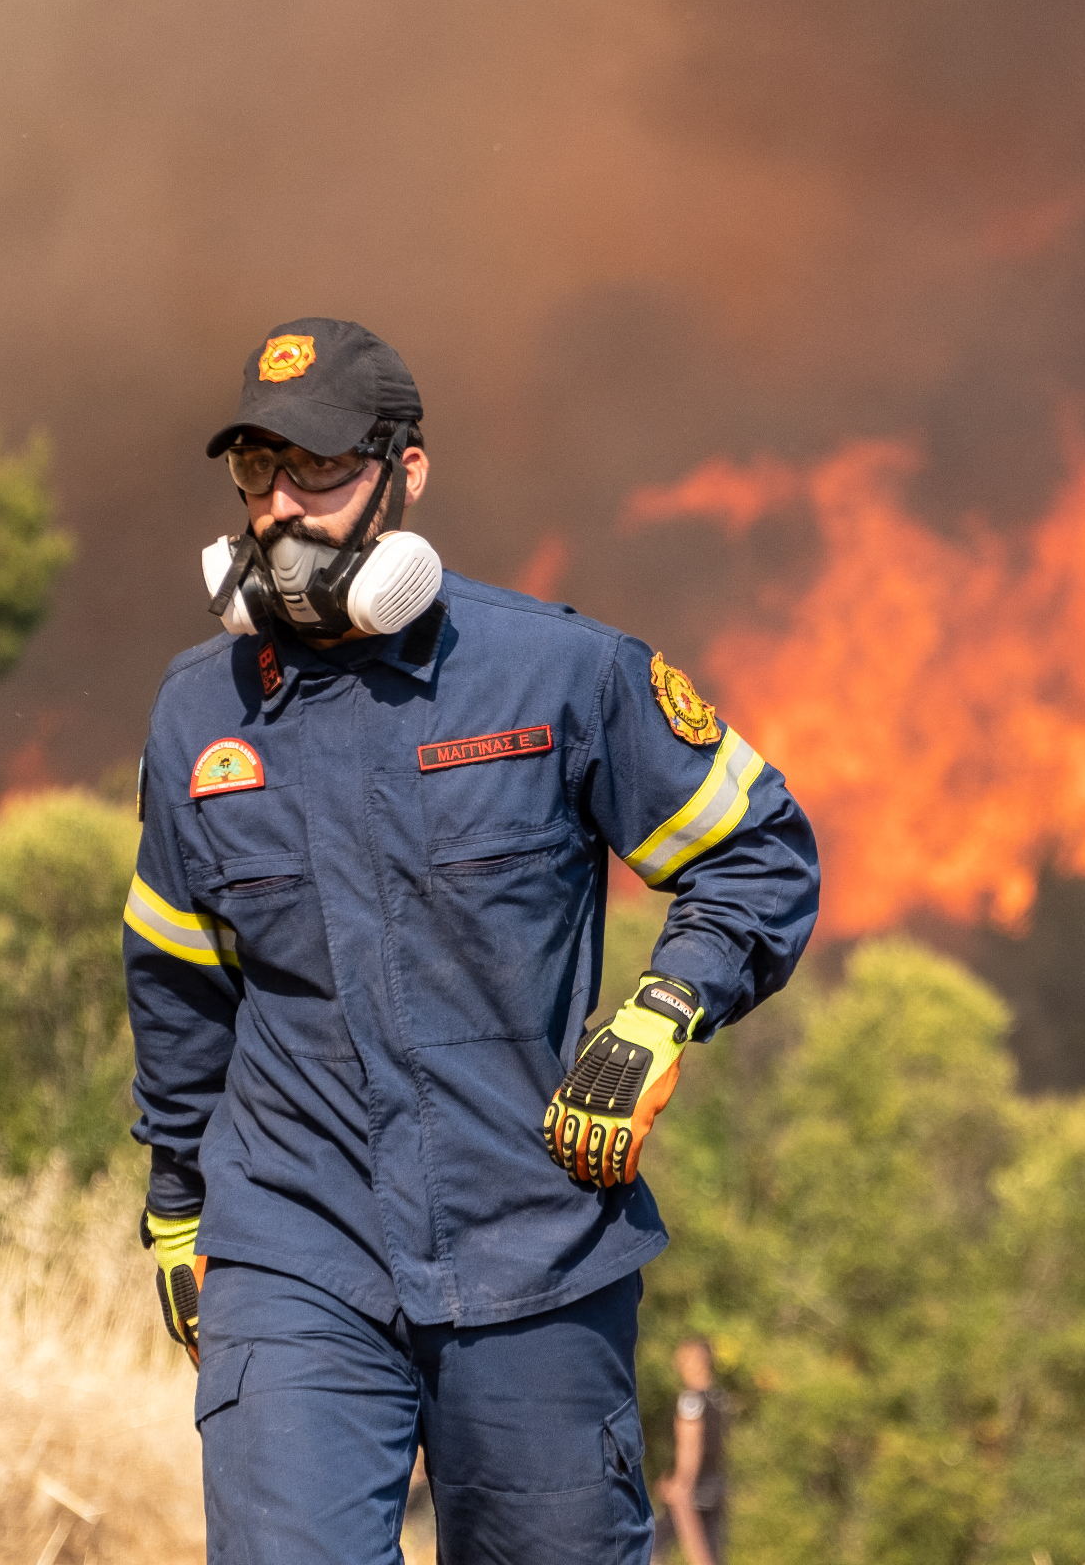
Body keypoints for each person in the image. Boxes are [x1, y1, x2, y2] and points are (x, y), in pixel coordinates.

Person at [124, 318, 820, 1565]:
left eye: (318, 472)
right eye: (255, 473)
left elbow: (758, 849)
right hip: (296, 1245)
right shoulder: (197, 714)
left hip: (535, 1249)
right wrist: (180, 1204)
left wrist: (664, 1008)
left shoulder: (559, 676)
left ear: (407, 473)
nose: (279, 510)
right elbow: (176, 975)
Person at [659, 1334, 731, 1565]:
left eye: (684, 1359)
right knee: (709, 1556)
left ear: (700, 1360)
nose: (679, 1366)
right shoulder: (719, 1398)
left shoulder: (691, 1400)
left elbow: (690, 1442)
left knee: (649, 1550)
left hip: (691, 1490)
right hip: (714, 1486)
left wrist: (682, 1483)